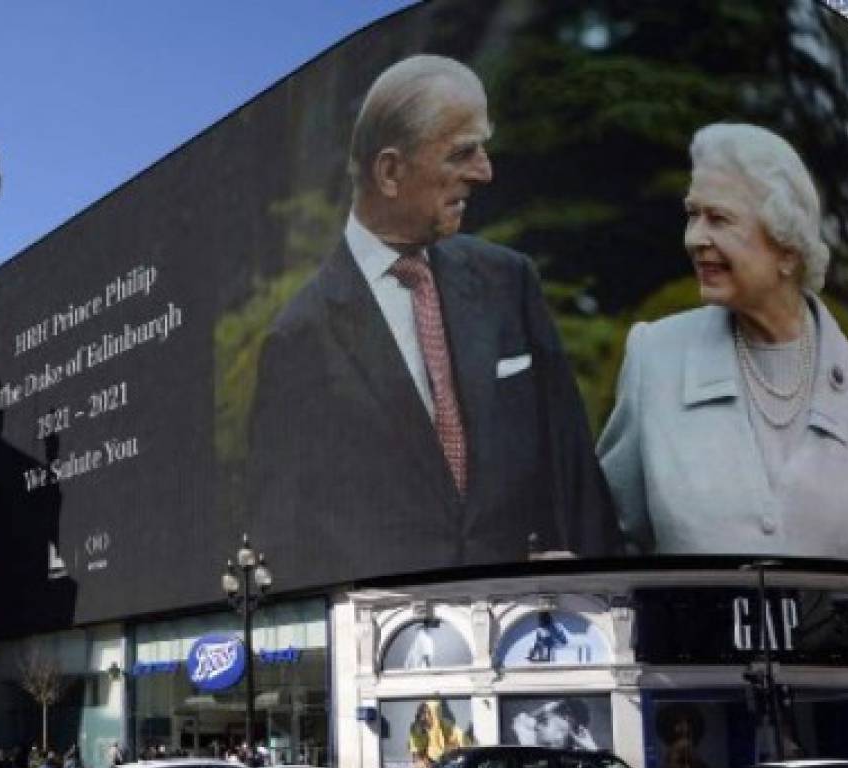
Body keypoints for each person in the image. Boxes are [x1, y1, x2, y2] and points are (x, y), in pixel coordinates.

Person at [247, 54, 619, 589]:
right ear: (390, 171)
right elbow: (282, 543)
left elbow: (577, 478)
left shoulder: (509, 282)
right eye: (462, 152)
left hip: (533, 636)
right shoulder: (300, 336)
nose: (485, 171)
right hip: (392, 654)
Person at [597, 123, 848, 568]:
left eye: (718, 219)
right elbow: (609, 543)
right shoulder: (654, 360)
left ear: (787, 250)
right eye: (692, 214)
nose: (693, 238)